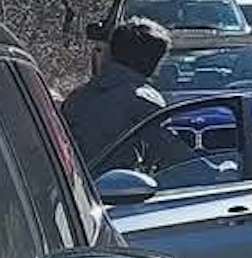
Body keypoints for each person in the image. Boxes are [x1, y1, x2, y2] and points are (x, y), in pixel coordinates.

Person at [61, 15, 173, 169]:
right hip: (120, 189)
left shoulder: (76, 98)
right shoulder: (144, 101)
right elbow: (173, 155)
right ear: (152, 61)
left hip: (75, 187)